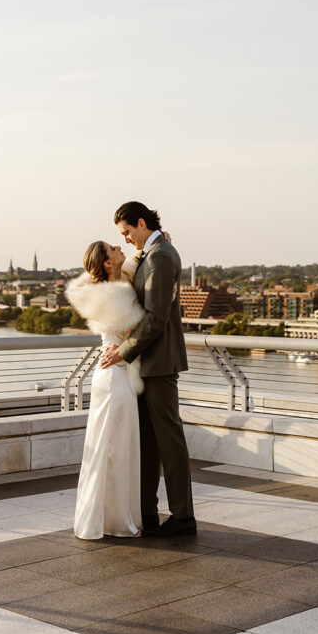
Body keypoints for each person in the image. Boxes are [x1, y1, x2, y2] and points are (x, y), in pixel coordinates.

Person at [99, 201, 195, 537]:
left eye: (126, 232)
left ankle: (183, 517)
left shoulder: (161, 257)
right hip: (146, 364)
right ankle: (148, 513)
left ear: (140, 223)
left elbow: (156, 319)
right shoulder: (154, 253)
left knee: (169, 442)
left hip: (157, 363)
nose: (125, 240)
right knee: (150, 444)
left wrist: (122, 353)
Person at [65, 241, 145, 539]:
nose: (118, 246)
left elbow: (136, 259)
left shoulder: (117, 280)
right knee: (114, 450)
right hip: (114, 377)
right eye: (113, 249)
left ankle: (111, 518)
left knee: (116, 447)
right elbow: (134, 331)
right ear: (108, 263)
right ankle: (114, 521)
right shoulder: (113, 293)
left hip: (115, 374)